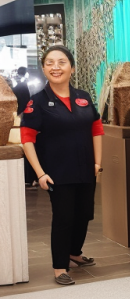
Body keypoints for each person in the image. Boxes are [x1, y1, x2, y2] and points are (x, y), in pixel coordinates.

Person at [20, 45, 104, 286]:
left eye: (61, 62)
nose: (55, 67)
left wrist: (97, 163)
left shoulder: (83, 97)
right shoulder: (37, 102)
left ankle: (74, 253)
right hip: (57, 172)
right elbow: (27, 138)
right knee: (64, 218)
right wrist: (40, 173)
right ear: (44, 69)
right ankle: (60, 267)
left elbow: (96, 129)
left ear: (72, 68)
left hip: (86, 168)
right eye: (50, 63)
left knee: (84, 214)